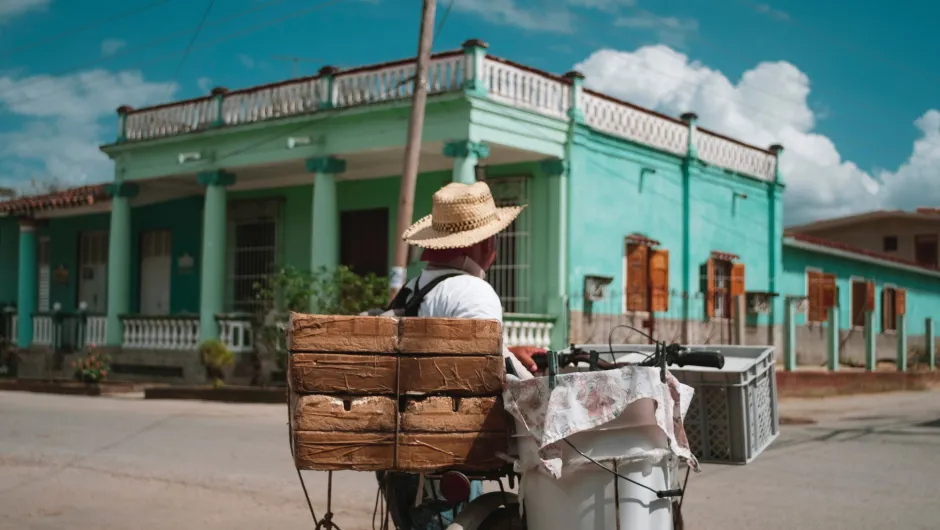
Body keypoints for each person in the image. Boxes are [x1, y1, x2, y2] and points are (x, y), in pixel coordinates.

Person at [375, 181, 546, 530]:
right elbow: (482, 375)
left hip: (402, 455)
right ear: (486, 244)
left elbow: (442, 353)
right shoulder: (474, 292)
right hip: (446, 453)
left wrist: (509, 351)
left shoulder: (411, 290)